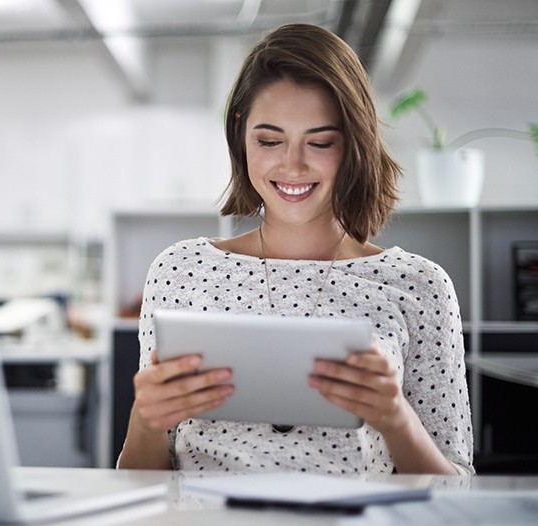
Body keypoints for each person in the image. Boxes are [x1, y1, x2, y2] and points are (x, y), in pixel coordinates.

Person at [117, 23, 474, 475]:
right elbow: (140, 487)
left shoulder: (420, 285)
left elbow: (456, 491)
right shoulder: (180, 270)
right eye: (269, 141)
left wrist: (396, 420)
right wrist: (146, 422)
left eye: (320, 142)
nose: (292, 165)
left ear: (354, 147)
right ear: (241, 140)